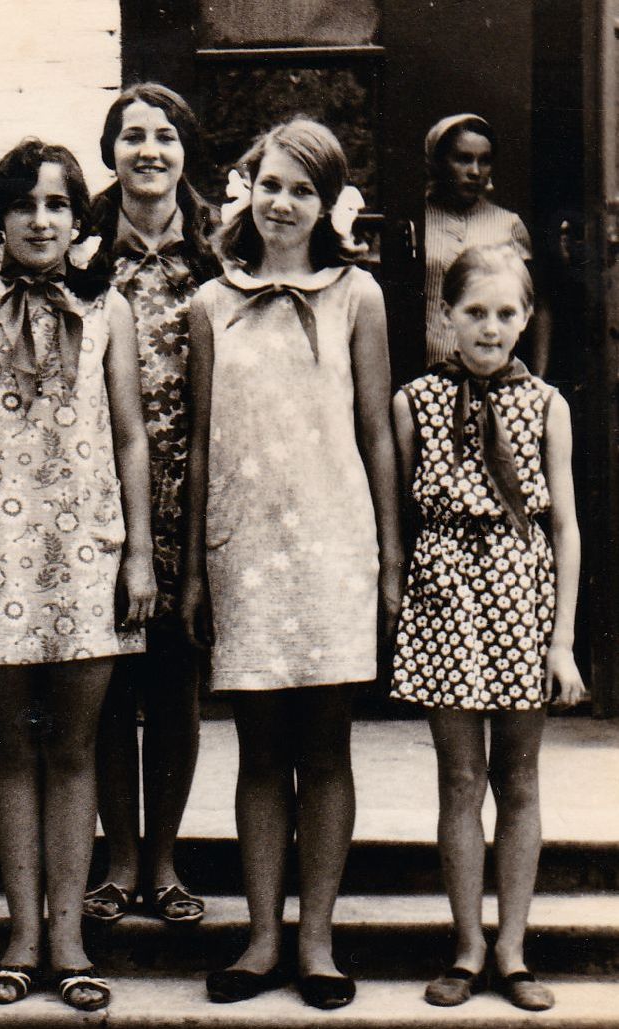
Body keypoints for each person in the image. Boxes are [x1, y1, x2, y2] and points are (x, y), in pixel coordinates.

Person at [0, 138, 157, 1013]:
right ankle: (22, 933)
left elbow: (130, 435)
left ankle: (70, 937)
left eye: (57, 204)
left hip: (85, 552)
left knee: (73, 747)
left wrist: (138, 551)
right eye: (23, 204)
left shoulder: (108, 310)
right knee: (12, 749)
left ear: (77, 219)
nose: (39, 219)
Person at [180, 118, 401, 1010]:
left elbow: (377, 431)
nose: (282, 203)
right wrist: (195, 569)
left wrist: (390, 556)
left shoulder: (357, 296)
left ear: (328, 205)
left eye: (302, 190)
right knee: (261, 748)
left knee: (327, 743)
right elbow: (200, 442)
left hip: (333, 542)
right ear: (247, 190)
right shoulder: (211, 303)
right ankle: (264, 935)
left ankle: (318, 941)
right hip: (246, 547)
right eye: (270, 184)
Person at [390, 245, 586, 1012]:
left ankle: (513, 949)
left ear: (527, 317)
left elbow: (564, 527)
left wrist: (561, 640)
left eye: (506, 313)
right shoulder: (415, 401)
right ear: (447, 314)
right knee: (461, 777)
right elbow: (404, 514)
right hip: (447, 597)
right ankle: (468, 944)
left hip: (521, 594)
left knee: (520, 777)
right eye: (475, 311)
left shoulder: (547, 405)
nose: (490, 327)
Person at [84, 82, 222, 928]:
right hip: (96, 497)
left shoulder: (220, 249)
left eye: (164, 136)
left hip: (191, 494)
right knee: (106, 687)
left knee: (176, 684)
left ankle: (163, 861)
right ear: (111, 151)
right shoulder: (82, 248)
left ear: (184, 150)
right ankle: (118, 859)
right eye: (132, 135)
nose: (148, 151)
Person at [421, 114, 551, 377]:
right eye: (463, 159)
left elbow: (538, 306)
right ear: (439, 162)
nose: (475, 171)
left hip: (492, 373)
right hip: (427, 370)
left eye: (484, 160)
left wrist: (537, 377)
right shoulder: (419, 219)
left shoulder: (508, 224)